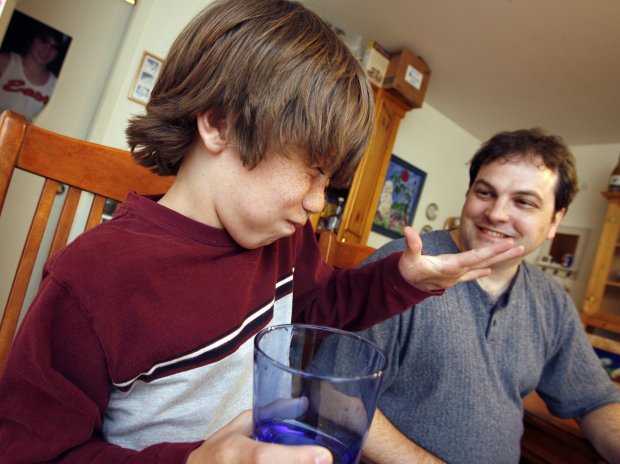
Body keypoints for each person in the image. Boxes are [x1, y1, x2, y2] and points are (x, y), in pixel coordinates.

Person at [0, 1, 523, 463]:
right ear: (221, 125)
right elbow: (33, 451)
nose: (318, 202)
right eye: (313, 169)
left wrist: (405, 277)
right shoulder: (94, 276)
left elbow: (321, 311)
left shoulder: (283, 240)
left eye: (329, 181)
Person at [355, 128, 620, 464]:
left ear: (555, 221)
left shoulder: (551, 301)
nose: (496, 214)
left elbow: (594, 400)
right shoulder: (403, 268)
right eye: (485, 192)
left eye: (523, 201)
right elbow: (340, 395)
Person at [0, 26, 63, 121]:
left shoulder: (56, 85)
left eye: (54, 47)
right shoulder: (5, 62)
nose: (47, 50)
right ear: (33, 39)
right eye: (44, 41)